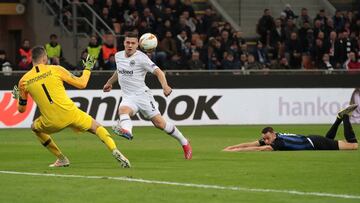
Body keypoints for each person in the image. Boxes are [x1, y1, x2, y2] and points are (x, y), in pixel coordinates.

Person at [12, 46, 130, 168]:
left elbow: (21, 110)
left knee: (34, 128)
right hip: (71, 113)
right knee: (97, 127)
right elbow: (82, 83)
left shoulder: (23, 81)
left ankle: (61, 158)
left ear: (32, 59)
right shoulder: (56, 69)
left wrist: (17, 98)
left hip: (50, 121)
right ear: (44, 57)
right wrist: (88, 68)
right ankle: (114, 149)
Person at [102, 32, 192, 160]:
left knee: (160, 124)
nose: (130, 45)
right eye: (127, 42)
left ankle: (185, 142)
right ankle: (128, 131)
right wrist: (109, 83)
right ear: (124, 43)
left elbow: (159, 72)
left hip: (143, 96)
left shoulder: (142, 58)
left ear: (138, 44)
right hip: (128, 97)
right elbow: (119, 71)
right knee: (123, 110)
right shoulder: (118, 56)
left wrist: (165, 87)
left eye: (133, 43)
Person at [223, 104, 358, 151]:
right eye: (265, 139)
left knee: (353, 146)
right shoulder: (275, 137)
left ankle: (345, 116)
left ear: (273, 133)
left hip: (315, 143)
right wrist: (232, 147)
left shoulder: (279, 142)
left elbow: (262, 149)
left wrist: (235, 151)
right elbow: (251, 144)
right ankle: (339, 118)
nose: (266, 141)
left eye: (268, 138)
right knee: (329, 140)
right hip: (314, 140)